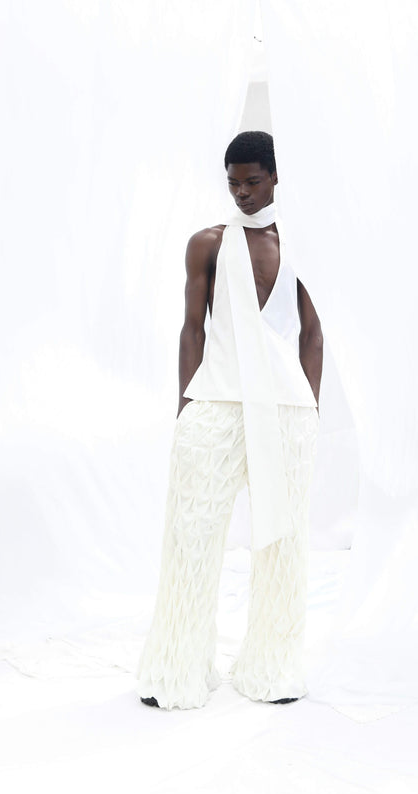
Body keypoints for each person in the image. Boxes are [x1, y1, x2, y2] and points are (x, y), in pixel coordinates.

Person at [137, 131, 323, 710]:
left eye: (253, 181)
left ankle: (272, 668)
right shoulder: (208, 244)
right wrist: (185, 408)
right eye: (233, 182)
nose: (242, 192)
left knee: (283, 545)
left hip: (286, 410)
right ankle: (176, 668)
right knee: (192, 538)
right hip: (216, 401)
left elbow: (314, 333)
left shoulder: (301, 246)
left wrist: (311, 410)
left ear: (275, 178)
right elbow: (191, 328)